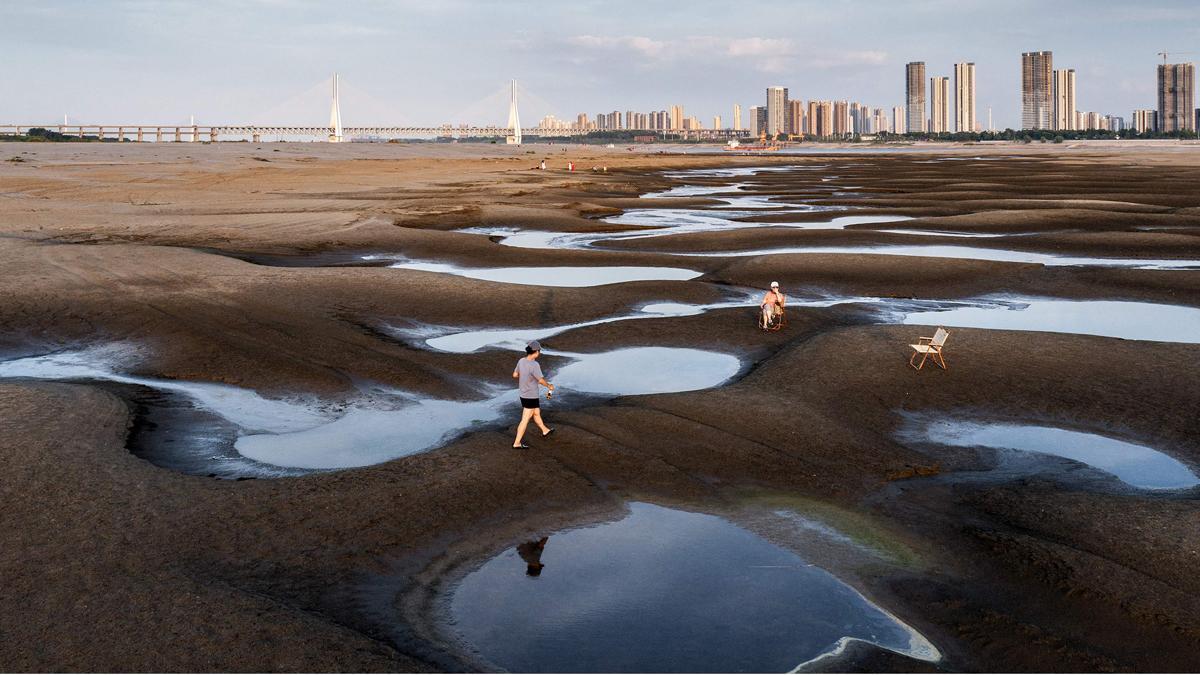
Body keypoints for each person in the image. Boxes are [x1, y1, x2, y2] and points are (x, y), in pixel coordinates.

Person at [512, 340, 555, 449]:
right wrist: (549, 386)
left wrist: (525, 376)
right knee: (525, 419)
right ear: (535, 351)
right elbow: (540, 380)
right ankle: (517, 443)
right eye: (539, 351)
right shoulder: (535, 365)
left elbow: (515, 375)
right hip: (530, 395)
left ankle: (545, 430)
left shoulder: (521, 360)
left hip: (523, 394)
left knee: (536, 413)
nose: (539, 353)